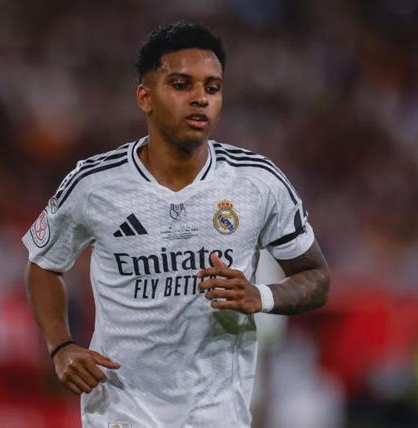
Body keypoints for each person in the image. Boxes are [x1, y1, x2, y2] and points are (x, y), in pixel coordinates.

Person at [22, 21, 330, 428]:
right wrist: (60, 345)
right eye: (182, 85)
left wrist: (262, 296)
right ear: (145, 97)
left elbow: (316, 276)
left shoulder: (258, 181)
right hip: (121, 413)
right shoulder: (94, 184)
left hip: (218, 417)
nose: (200, 98)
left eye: (212, 88)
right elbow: (43, 265)